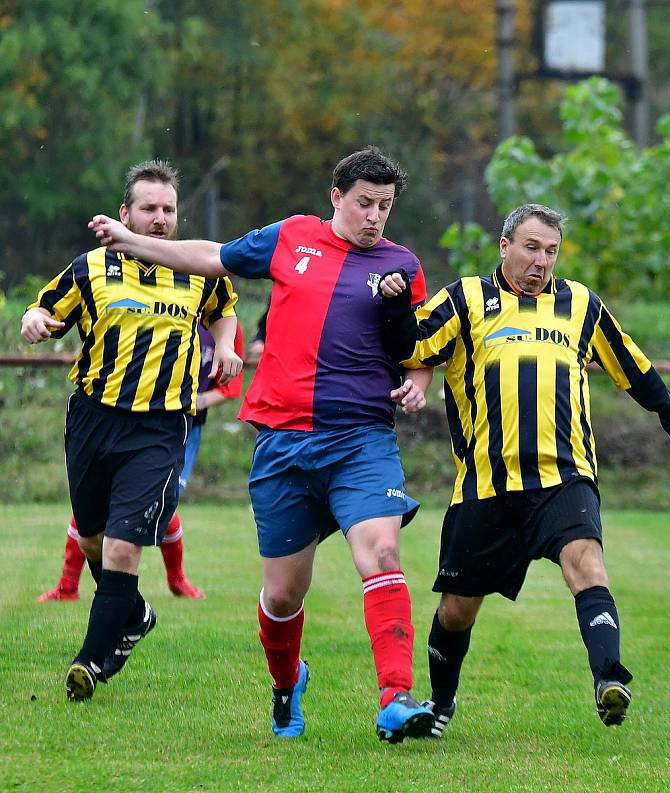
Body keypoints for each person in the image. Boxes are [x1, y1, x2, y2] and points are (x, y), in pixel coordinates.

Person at [87, 147, 436, 742]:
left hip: (362, 441)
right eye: (364, 204)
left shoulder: (402, 265)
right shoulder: (291, 238)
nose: (375, 217)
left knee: (381, 554)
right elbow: (210, 257)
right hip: (284, 444)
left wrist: (418, 384)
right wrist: (130, 240)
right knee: (282, 595)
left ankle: (395, 697)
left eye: (385, 206)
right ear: (336, 198)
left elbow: (420, 344)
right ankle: (286, 682)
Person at [379, 202, 670, 735]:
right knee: (458, 609)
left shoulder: (580, 305)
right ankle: (440, 702)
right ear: (504, 246)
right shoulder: (465, 299)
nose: (541, 261)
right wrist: (391, 306)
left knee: (587, 563)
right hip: (486, 482)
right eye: (531, 248)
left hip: (564, 475)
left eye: (550, 251)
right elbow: (412, 344)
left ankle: (609, 678)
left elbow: (631, 364)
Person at [21, 160, 241, 702]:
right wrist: (33, 321)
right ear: (126, 213)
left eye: (168, 209)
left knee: (123, 548)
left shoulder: (196, 269)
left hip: (160, 426)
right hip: (93, 420)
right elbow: (44, 309)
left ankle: (89, 664)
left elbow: (223, 311)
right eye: (149, 208)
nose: (161, 218)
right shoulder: (91, 268)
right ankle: (135, 613)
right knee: (93, 539)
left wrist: (230, 346)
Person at [37, 322, 245, 602]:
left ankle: (175, 580)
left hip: (182, 427)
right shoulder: (154, 306)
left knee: (161, 502)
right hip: (137, 421)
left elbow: (229, 389)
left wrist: (191, 400)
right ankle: (69, 585)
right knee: (101, 501)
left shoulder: (224, 323)